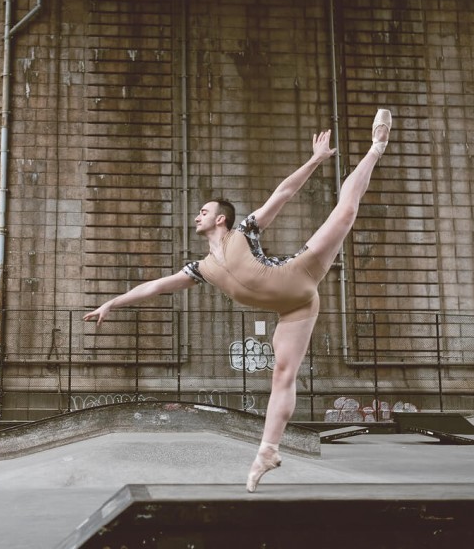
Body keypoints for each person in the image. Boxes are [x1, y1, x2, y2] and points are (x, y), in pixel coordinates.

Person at [84, 109, 392, 492]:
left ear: (221, 220)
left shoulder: (244, 231)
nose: (198, 214)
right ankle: (268, 451)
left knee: (345, 212)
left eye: (204, 210)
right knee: (283, 375)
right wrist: (113, 303)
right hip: (295, 308)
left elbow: (283, 193)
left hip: (299, 271)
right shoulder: (201, 268)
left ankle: (376, 147)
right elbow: (156, 286)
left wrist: (315, 160)